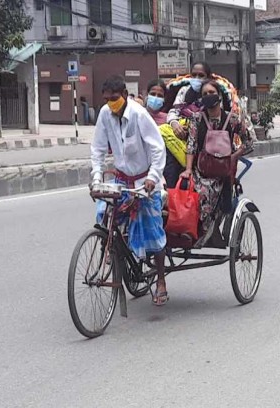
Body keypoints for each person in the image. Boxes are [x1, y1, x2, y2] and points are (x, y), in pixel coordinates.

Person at [90, 75, 170, 306]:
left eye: (114, 99)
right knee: (104, 212)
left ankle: (161, 281)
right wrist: (96, 177)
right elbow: (97, 148)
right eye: (106, 99)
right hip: (121, 179)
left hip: (145, 179)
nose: (111, 103)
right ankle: (113, 250)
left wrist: (153, 178)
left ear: (124, 95)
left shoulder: (139, 114)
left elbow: (157, 149)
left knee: (152, 228)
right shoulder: (105, 114)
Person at [179, 80, 254, 247]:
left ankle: (207, 232)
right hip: (201, 172)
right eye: (204, 94)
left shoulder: (232, 119)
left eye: (211, 92)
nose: (208, 96)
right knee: (193, 194)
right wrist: (188, 170)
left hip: (224, 173)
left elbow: (249, 142)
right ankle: (191, 230)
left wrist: (234, 156)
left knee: (212, 194)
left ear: (219, 96)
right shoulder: (197, 119)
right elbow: (191, 145)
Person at [145, 79, 186, 189]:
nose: (155, 98)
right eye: (153, 94)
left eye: (159, 95)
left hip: (166, 167)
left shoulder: (169, 119)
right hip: (143, 166)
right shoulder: (139, 115)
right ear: (146, 95)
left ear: (164, 99)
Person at [167, 61, 213, 139]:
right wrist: (174, 123)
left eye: (201, 75)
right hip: (183, 134)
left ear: (208, 77)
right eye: (194, 75)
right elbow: (174, 111)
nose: (197, 78)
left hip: (207, 136)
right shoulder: (184, 91)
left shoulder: (212, 92)